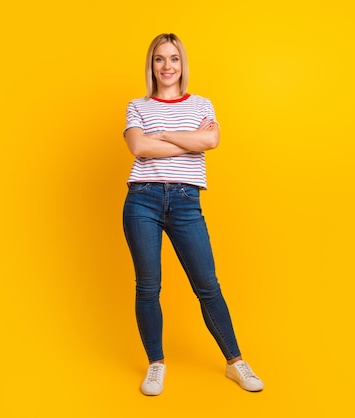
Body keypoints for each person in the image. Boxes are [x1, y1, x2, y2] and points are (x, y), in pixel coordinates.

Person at [122, 33, 264, 396]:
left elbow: (210, 142)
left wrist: (164, 135)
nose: (166, 66)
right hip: (143, 200)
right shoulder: (137, 106)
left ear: (182, 65)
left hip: (187, 202)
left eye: (173, 59)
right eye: (159, 59)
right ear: (151, 65)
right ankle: (156, 364)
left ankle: (235, 363)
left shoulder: (202, 105)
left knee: (207, 286)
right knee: (148, 286)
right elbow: (138, 146)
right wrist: (187, 139)